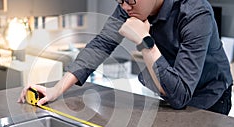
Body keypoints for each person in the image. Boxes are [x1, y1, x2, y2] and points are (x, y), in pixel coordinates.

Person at [18, 0, 233, 115]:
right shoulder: (128, 6)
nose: (124, 8)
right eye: (120, 0)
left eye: (130, 1)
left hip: (210, 94)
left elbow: (181, 95)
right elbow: (101, 45)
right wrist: (57, 89)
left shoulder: (196, 12)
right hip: (170, 85)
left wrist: (144, 41)